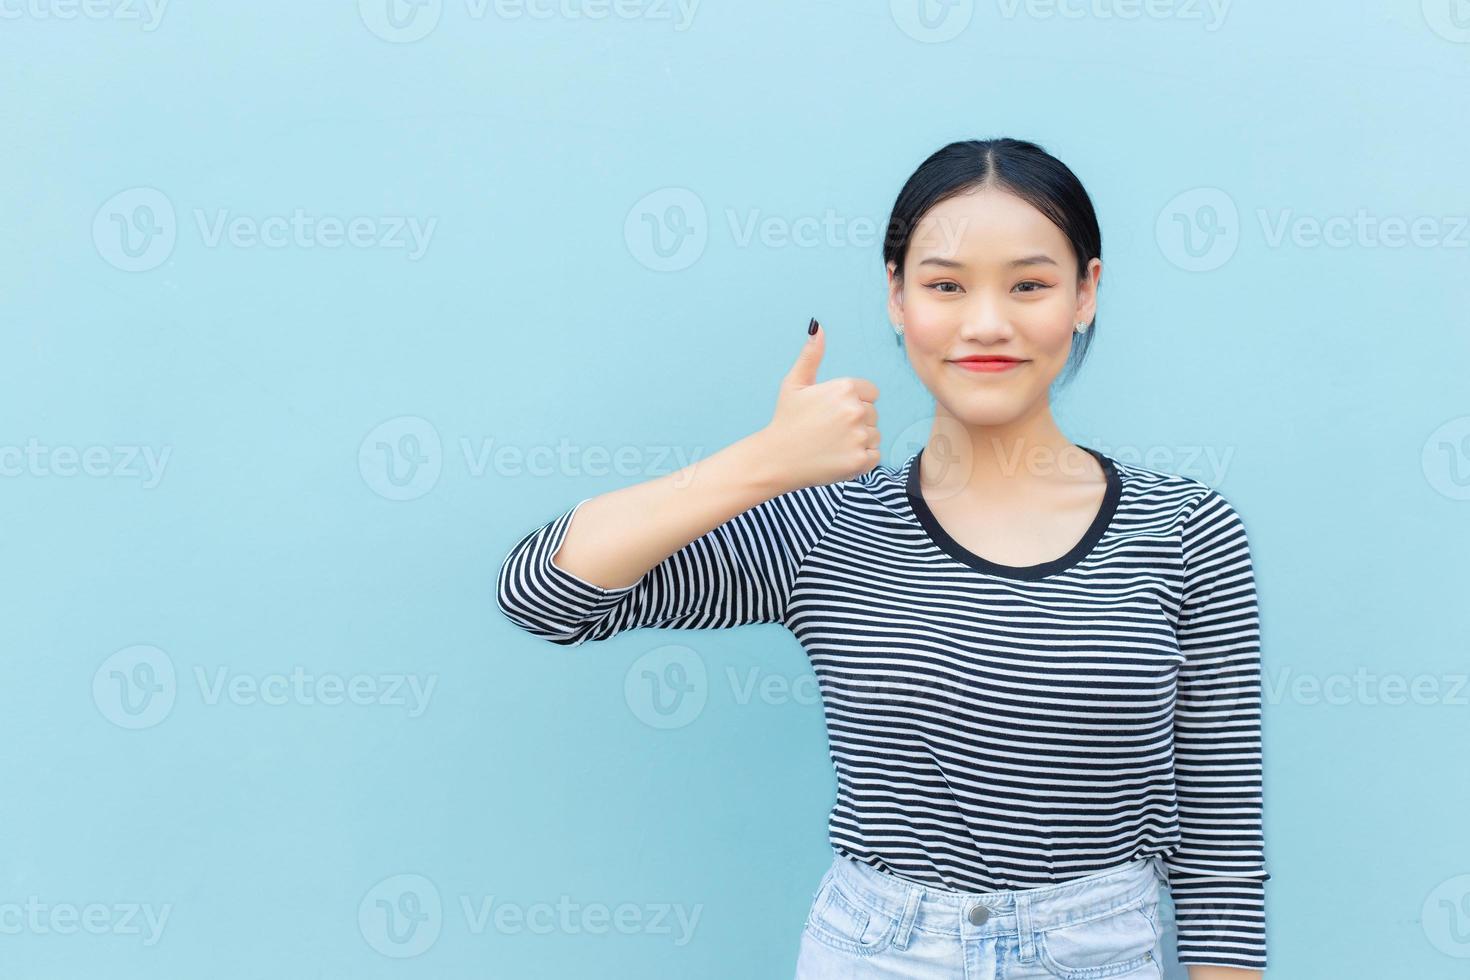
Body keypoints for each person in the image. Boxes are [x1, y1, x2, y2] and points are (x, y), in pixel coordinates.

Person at [496, 138, 1269, 979]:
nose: (986, 322)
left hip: (1101, 949)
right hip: (883, 955)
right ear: (896, 298)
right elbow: (544, 593)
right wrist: (765, 460)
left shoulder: (1184, 528)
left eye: (1030, 284)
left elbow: (1221, 834)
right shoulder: (827, 527)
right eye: (945, 285)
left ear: (1085, 292)